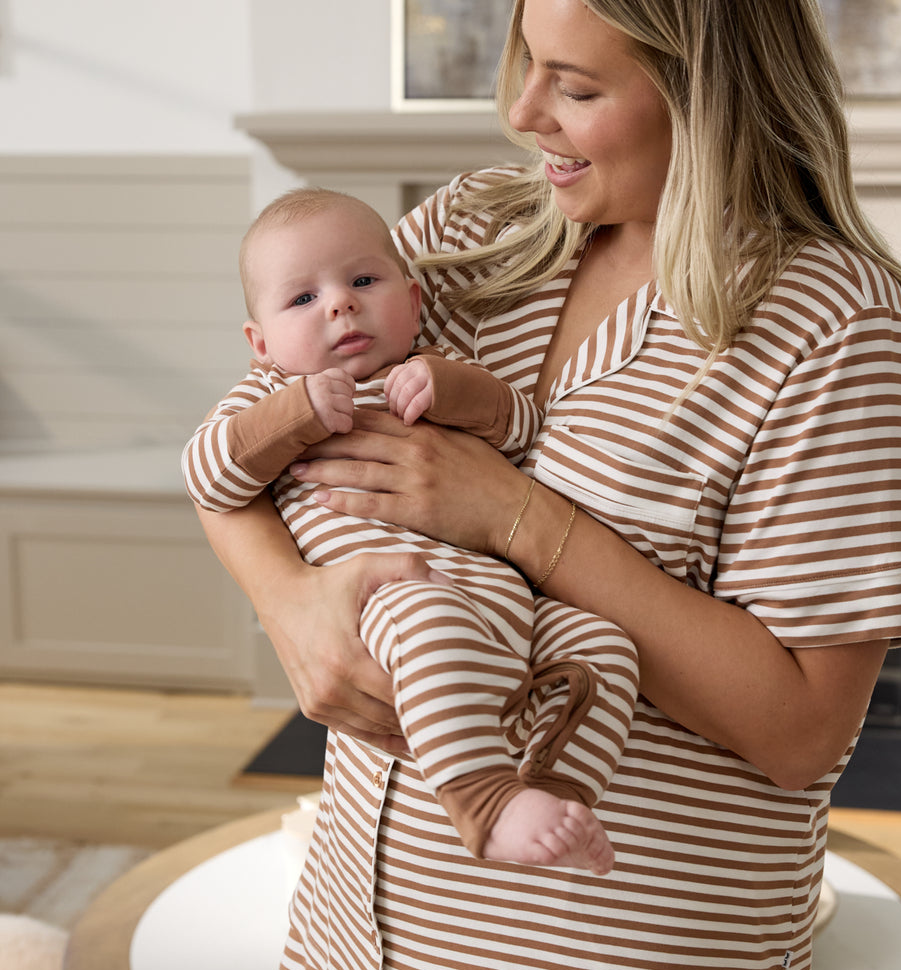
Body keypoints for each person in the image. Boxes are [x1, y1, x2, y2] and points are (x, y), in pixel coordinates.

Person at [193, 0, 901, 970]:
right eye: (521, 67)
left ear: (702, 91)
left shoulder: (833, 328)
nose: (523, 113)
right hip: (367, 934)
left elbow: (803, 725)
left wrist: (517, 516)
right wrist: (294, 605)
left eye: (572, 85)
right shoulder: (475, 228)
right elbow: (235, 446)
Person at [184, 187, 640, 874]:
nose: (340, 303)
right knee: (423, 612)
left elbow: (522, 426)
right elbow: (207, 475)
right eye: (302, 300)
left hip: (510, 611)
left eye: (363, 281)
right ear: (262, 342)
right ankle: (482, 804)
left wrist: (455, 390)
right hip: (393, 604)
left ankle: (554, 792)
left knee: (605, 646)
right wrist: (296, 415)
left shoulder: (436, 367)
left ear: (414, 300)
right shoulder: (271, 395)